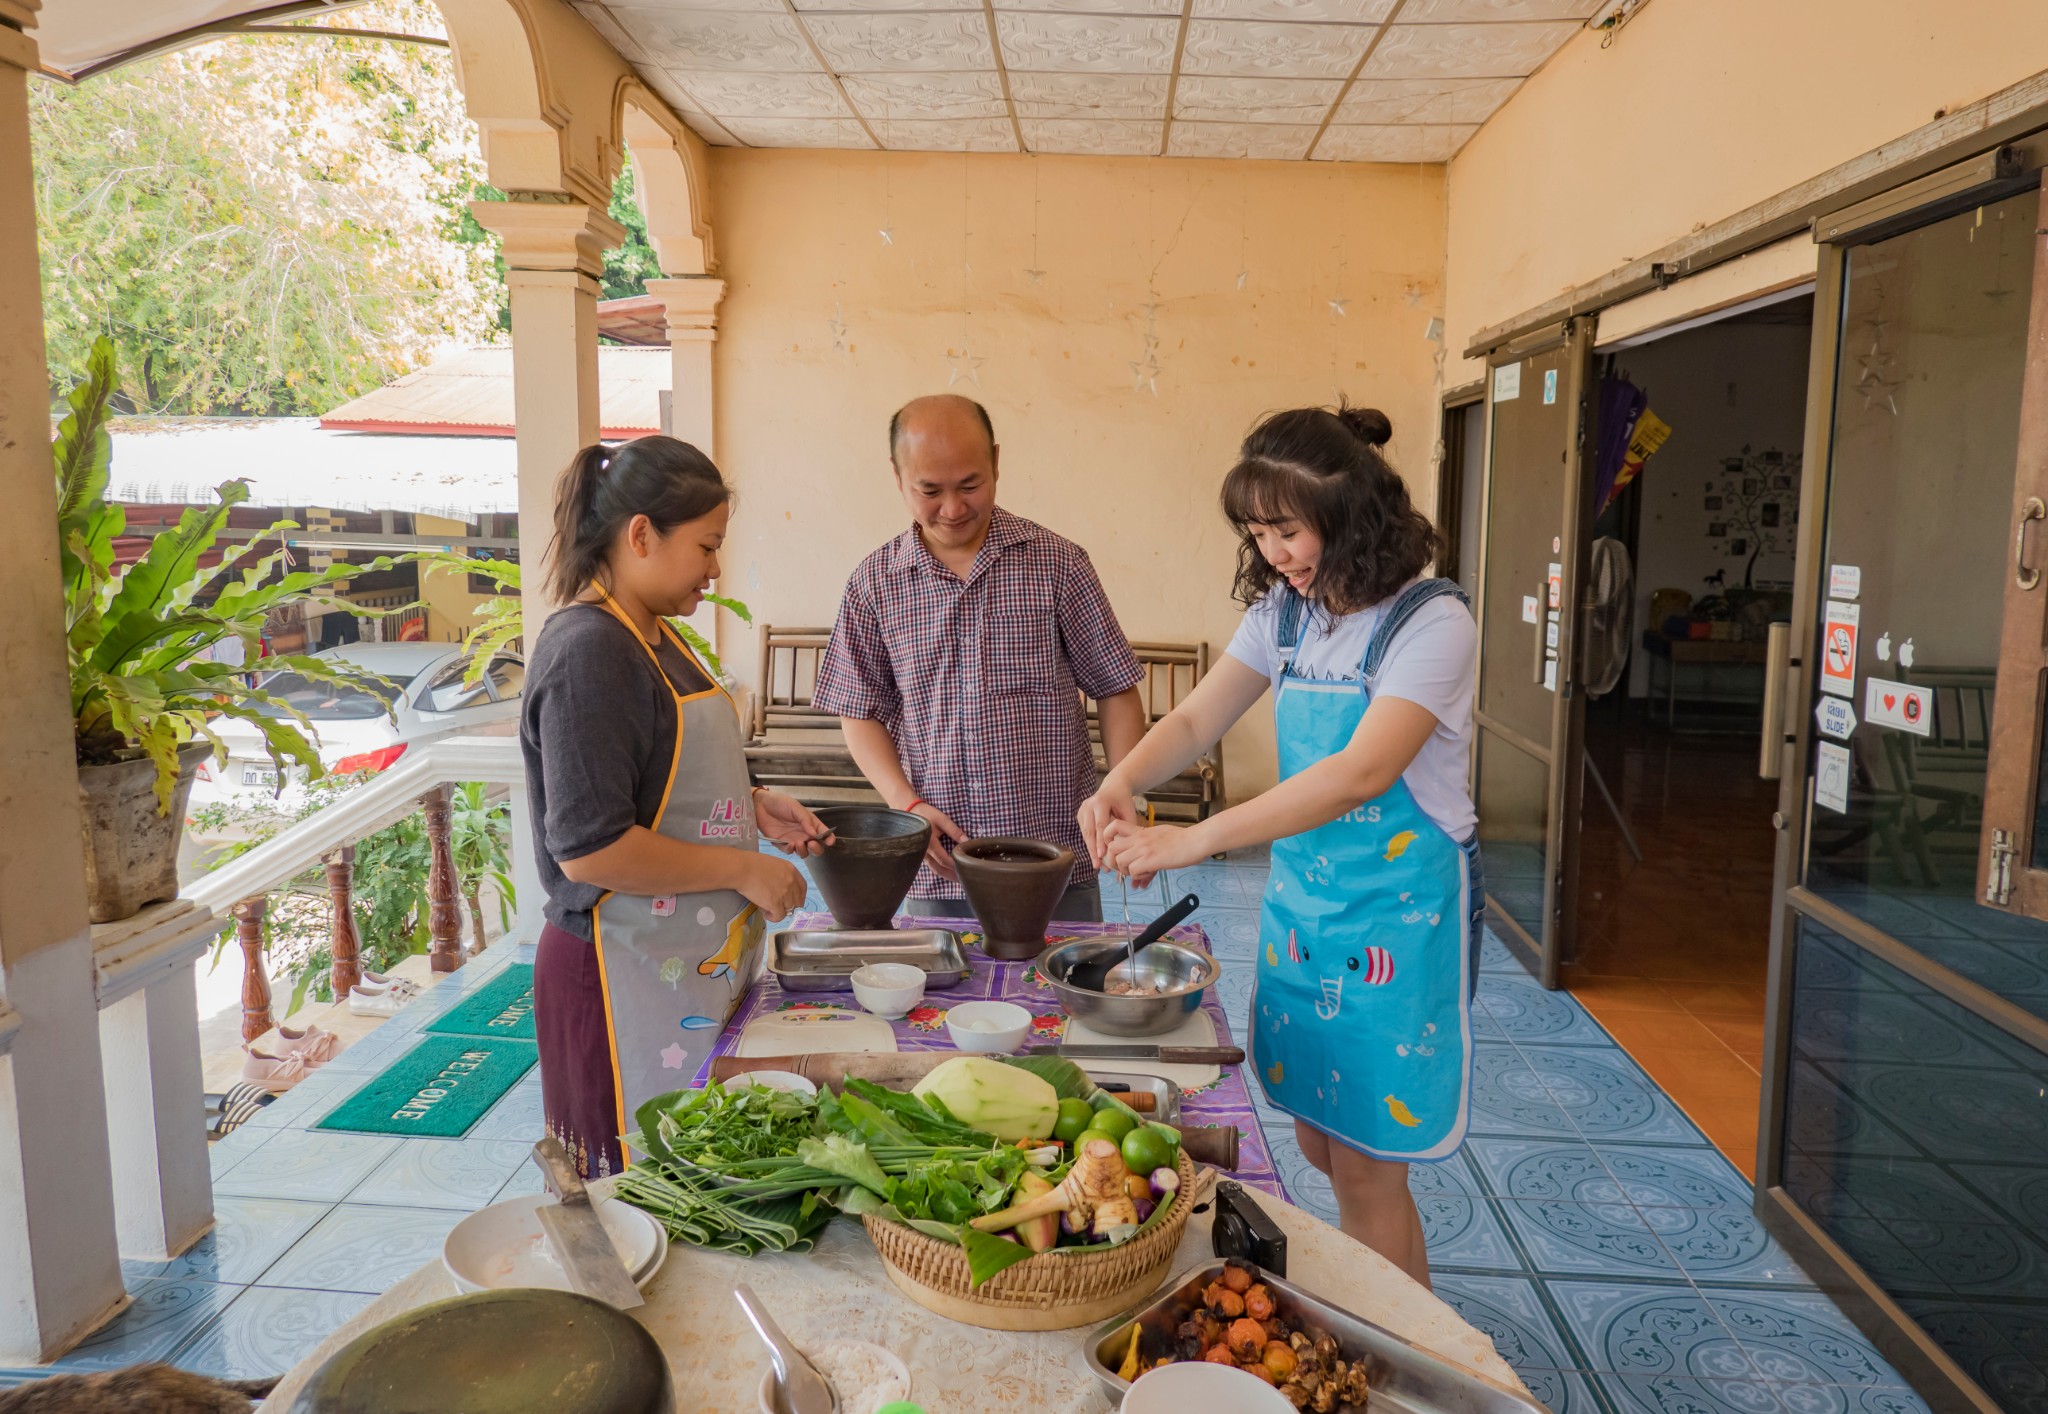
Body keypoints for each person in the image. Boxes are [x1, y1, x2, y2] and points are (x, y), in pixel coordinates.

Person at [1082, 405, 1480, 1286]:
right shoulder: (1286, 616)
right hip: (1306, 915)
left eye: (1288, 530)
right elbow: (1194, 717)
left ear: (1352, 514)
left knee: (1373, 1164)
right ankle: (1391, 1334)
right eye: (1258, 533)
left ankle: (1392, 1363)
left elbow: (1358, 775)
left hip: (1395, 923)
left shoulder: (1430, 624)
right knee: (1320, 1141)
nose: (1274, 553)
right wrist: (1122, 783)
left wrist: (1195, 840)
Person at [521, 436, 833, 1178]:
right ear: (640, 535)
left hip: (679, 969)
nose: (715, 567)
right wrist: (743, 869)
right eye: (706, 545)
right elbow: (590, 847)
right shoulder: (589, 653)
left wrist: (750, 803)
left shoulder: (659, 637)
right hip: (614, 975)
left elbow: (651, 778)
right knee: (634, 1198)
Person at [812, 394, 1147, 921]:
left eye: (970, 485)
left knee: (1057, 994)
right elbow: (859, 710)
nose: (952, 508)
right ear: (897, 477)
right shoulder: (874, 584)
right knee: (940, 999)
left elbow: (1115, 689)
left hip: (1056, 855)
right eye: (930, 490)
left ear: (996, 461)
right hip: (938, 861)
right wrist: (906, 805)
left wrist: (1124, 795)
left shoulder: (1057, 564)